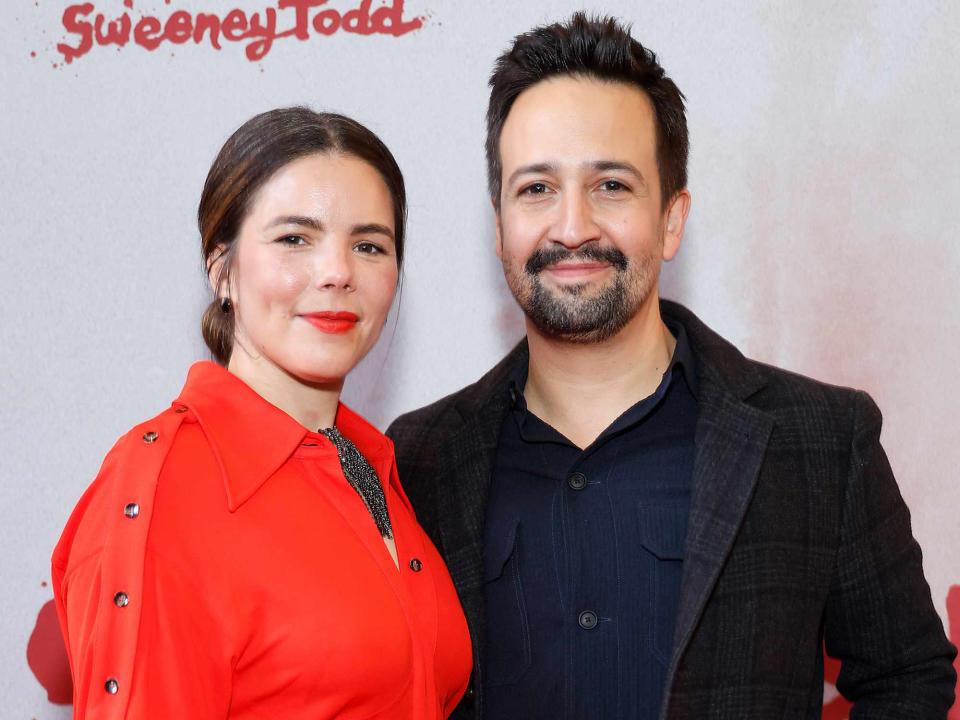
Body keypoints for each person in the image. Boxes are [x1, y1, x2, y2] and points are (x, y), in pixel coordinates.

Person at [386, 13, 957, 720]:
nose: (572, 226)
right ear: (499, 225)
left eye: (612, 186)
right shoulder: (416, 461)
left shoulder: (819, 441)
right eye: (536, 189)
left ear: (672, 218)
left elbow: (908, 679)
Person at [51, 107, 472, 719]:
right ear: (222, 268)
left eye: (369, 244)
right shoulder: (163, 487)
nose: (338, 273)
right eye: (294, 239)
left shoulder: (374, 466)